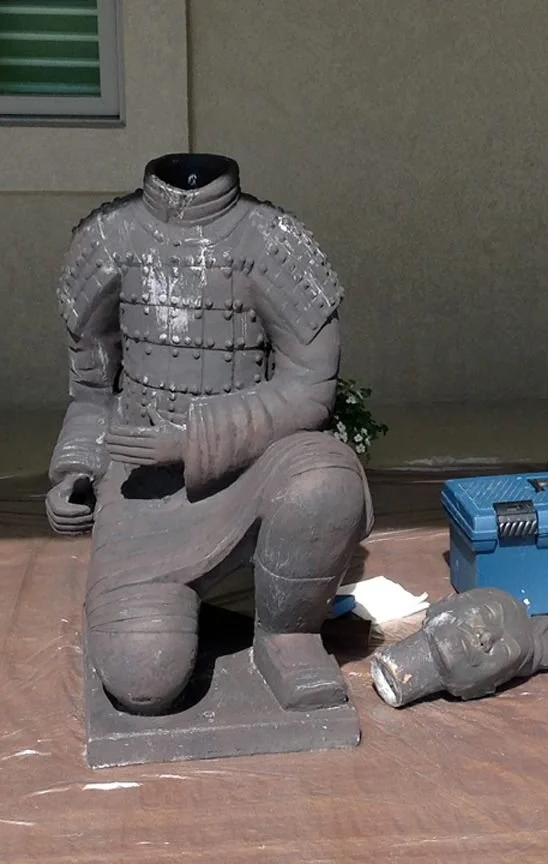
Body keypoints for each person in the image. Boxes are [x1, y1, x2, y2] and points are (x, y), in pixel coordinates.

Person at [46, 153, 374, 715]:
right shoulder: (108, 236)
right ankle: (161, 604)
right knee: (145, 678)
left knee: (326, 479)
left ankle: (287, 637)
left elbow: (310, 386)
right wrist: (76, 469)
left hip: (248, 470)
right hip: (143, 492)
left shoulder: (273, 241)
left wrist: (191, 439)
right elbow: (93, 391)